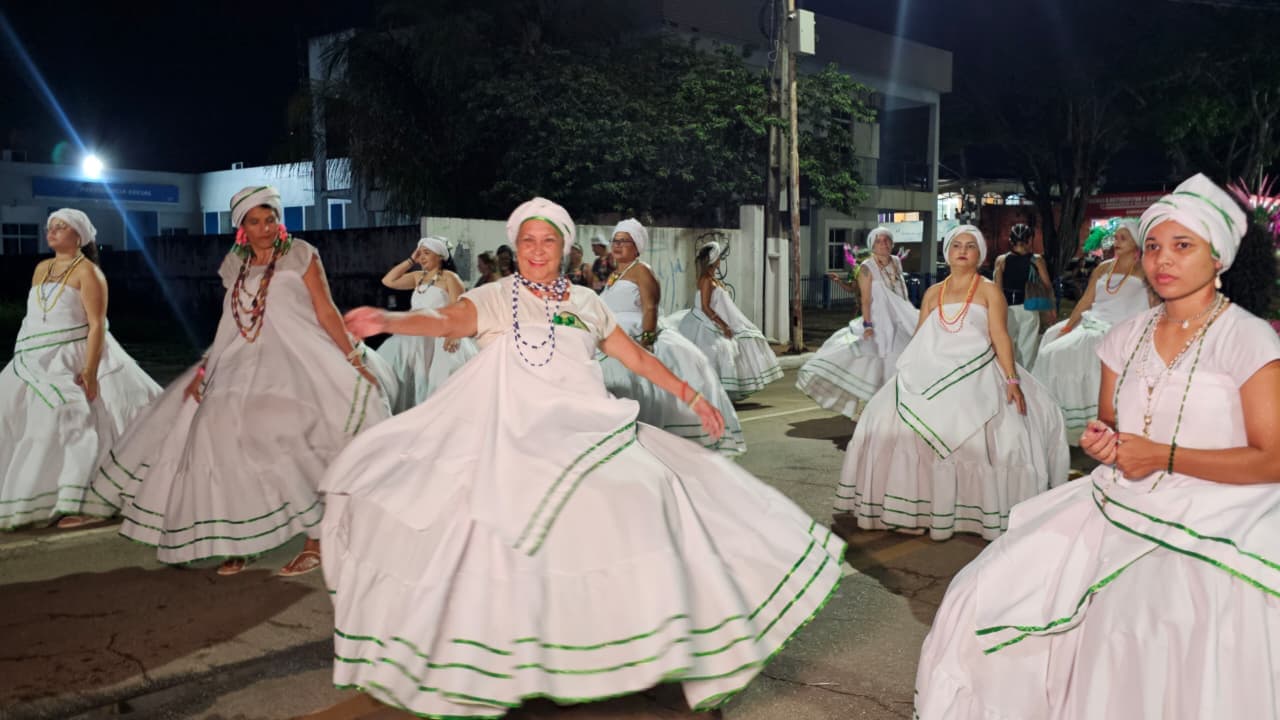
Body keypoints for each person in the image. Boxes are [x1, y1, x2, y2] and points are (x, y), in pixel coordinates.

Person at [323, 197, 844, 719]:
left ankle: (645, 635)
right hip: (508, 435)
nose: (536, 250)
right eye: (527, 240)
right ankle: (508, 653)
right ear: (515, 246)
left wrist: (693, 396)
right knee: (489, 529)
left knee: (651, 493)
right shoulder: (493, 297)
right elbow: (443, 321)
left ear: (564, 247)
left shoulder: (586, 302)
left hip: (590, 431)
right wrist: (388, 319)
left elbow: (635, 356)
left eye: (548, 240)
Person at [914, 173, 1280, 719]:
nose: (1162, 259)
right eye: (1154, 245)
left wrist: (1163, 457)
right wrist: (1102, 443)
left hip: (1223, 507)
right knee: (983, 590)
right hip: (1118, 497)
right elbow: (1108, 426)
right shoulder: (1122, 338)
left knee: (1146, 618)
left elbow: (1271, 459)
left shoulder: (1248, 338)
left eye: (1183, 246)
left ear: (1218, 257)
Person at [87, 186, 390, 576]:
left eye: (270, 219)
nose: (265, 228)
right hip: (243, 357)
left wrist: (351, 357)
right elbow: (229, 321)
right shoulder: (235, 262)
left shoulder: (300, 254)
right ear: (241, 227)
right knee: (217, 432)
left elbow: (326, 309)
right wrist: (205, 368)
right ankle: (240, 536)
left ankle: (316, 537)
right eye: (254, 221)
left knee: (294, 438)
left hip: (299, 357)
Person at [836, 225, 1069, 541]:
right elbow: (921, 338)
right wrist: (907, 374)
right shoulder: (934, 293)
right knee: (882, 416)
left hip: (979, 365)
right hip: (933, 367)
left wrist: (1012, 379)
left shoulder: (988, 291)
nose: (962, 250)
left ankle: (971, 510)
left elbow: (1000, 335)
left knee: (992, 425)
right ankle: (914, 506)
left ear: (979, 254)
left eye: (970, 246)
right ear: (947, 253)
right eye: (956, 245)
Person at [0, 209, 161, 530]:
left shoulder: (88, 273)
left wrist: (89, 370)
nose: (53, 231)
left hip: (76, 354)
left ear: (79, 236)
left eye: (62, 227)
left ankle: (85, 499)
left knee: (78, 419)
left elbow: (97, 323)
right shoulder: (41, 269)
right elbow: (33, 316)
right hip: (33, 356)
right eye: (50, 227)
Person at [598, 219, 746, 453]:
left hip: (634, 334)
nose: (617, 245)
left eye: (624, 241)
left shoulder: (642, 271)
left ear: (637, 246)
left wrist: (646, 341)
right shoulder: (614, 274)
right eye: (615, 240)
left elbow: (650, 307)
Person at [1032, 220, 1155, 442]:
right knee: (1051, 337)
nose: (1116, 242)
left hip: (1119, 328)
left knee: (1055, 352)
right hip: (1093, 321)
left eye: (1123, 238)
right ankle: (1051, 415)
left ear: (1136, 242)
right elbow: (1086, 301)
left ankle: (1093, 417)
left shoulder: (1145, 270)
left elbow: (1154, 304)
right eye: (1115, 237)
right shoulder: (1102, 268)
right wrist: (1069, 325)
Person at [797, 226, 919, 419]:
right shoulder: (866, 268)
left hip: (901, 318)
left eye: (887, 240)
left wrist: (909, 314)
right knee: (877, 363)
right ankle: (875, 408)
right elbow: (865, 298)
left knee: (906, 360)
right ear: (872, 245)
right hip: (881, 321)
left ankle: (896, 407)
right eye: (879, 241)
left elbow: (901, 291)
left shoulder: (896, 262)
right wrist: (868, 326)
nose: (884, 244)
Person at [376, 236, 477, 412]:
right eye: (420, 253)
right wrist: (411, 260)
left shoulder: (449, 278)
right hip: (413, 335)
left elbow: (460, 310)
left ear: (440, 256)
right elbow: (388, 281)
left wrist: (455, 335)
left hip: (438, 336)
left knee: (437, 383)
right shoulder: (418, 277)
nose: (422, 257)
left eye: (427, 253)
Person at [676, 240, 781, 401]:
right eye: (719, 257)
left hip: (711, 321)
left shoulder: (712, 279)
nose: (720, 260)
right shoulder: (706, 280)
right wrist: (723, 325)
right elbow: (705, 307)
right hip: (703, 323)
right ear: (713, 260)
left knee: (735, 345)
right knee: (720, 350)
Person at [992, 224, 1055, 369]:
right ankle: (1025, 383)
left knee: (1007, 348)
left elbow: (997, 289)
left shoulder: (1001, 260)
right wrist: (1050, 309)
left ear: (1011, 240)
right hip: (1029, 308)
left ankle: (1008, 378)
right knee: (1027, 351)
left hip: (1007, 309)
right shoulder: (1037, 260)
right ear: (1029, 240)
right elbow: (1047, 285)